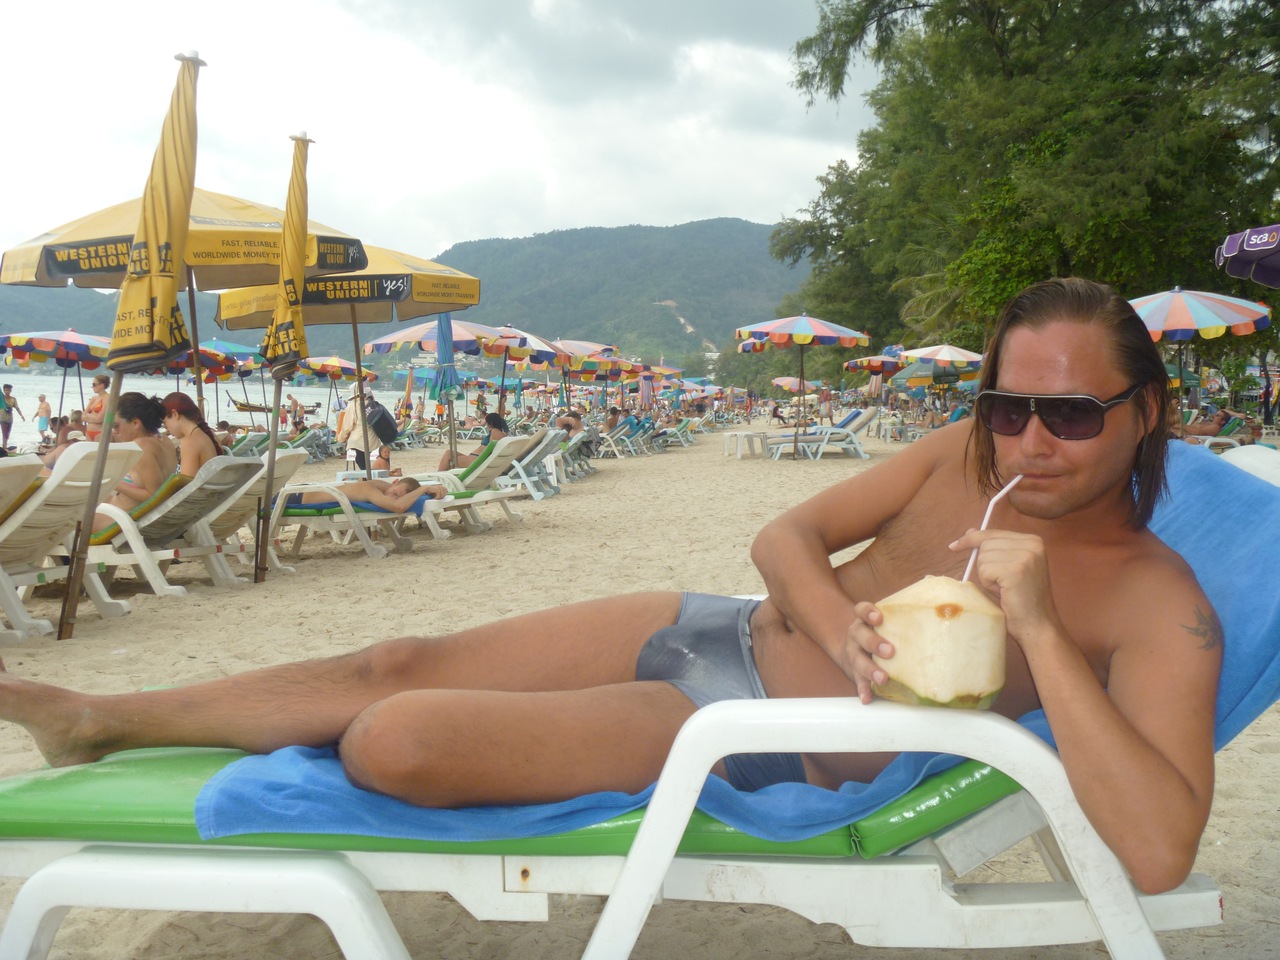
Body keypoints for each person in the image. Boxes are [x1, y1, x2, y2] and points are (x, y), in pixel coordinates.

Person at [0, 279, 1217, 896]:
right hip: (706, 628)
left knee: (395, 737)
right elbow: (785, 533)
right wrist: (835, 619)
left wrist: (1035, 632)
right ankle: (103, 717)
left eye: (1069, 414)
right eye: (1006, 406)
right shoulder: (960, 457)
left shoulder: (1154, 606)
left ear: (1144, 412)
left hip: (736, 736)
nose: (1029, 442)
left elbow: (1159, 851)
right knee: (390, 660)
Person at [92, 393, 179, 532]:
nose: (115, 431)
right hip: (134, 516)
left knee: (64, 522)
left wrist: (114, 483)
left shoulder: (141, 447)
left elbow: (154, 496)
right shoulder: (164, 440)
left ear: (136, 423)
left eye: (117, 425)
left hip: (122, 521)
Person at [290, 475, 446, 512]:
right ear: (394, 482)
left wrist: (432, 490)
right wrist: (423, 489)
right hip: (294, 497)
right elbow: (398, 507)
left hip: (302, 493)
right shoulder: (370, 489)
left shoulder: (385, 487)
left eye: (397, 496)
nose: (391, 497)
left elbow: (402, 499)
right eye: (394, 492)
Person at [161, 392, 223, 476]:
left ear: (175, 414)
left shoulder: (190, 442)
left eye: (165, 423)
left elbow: (186, 481)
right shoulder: (206, 435)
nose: (167, 429)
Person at [438, 412, 507, 471]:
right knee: (448, 453)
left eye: (487, 423)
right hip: (476, 458)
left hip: (478, 460)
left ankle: (438, 479)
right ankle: (441, 478)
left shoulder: (495, 431)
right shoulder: (498, 433)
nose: (487, 425)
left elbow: (491, 450)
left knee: (449, 461)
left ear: (491, 423)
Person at [82, 374, 109, 441]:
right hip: (88, 431)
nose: (92, 387)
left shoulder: (108, 398)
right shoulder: (94, 398)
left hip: (100, 432)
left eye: (94, 384)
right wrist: (94, 418)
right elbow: (83, 416)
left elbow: (99, 419)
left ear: (101, 385)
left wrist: (88, 417)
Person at [0, 384, 24, 448]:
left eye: (9, 390)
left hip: (10, 418)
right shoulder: (1, 399)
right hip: (2, 418)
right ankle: (4, 446)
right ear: (4, 390)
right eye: (6, 390)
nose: (8, 391)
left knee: (7, 433)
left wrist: (21, 415)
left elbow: (17, 408)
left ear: (11, 391)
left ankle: (5, 445)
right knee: (4, 432)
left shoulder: (13, 399)